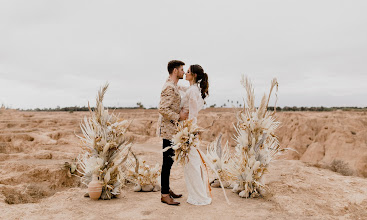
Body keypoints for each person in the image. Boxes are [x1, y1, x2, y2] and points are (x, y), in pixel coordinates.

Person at [157, 60, 188, 205]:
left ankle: (166, 189)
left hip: (172, 130)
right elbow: (162, 109)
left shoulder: (172, 85)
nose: (183, 71)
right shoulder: (169, 87)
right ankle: (164, 194)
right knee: (167, 162)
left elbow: (177, 89)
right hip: (168, 130)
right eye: (182, 69)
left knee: (169, 161)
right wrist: (178, 117)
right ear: (175, 71)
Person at [180, 64, 211, 205]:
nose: (185, 74)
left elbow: (192, 113)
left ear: (194, 75)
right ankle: (197, 194)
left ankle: (198, 196)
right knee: (193, 162)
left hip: (189, 130)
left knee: (191, 164)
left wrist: (189, 131)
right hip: (190, 129)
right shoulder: (194, 89)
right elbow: (183, 90)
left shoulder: (193, 91)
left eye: (188, 72)